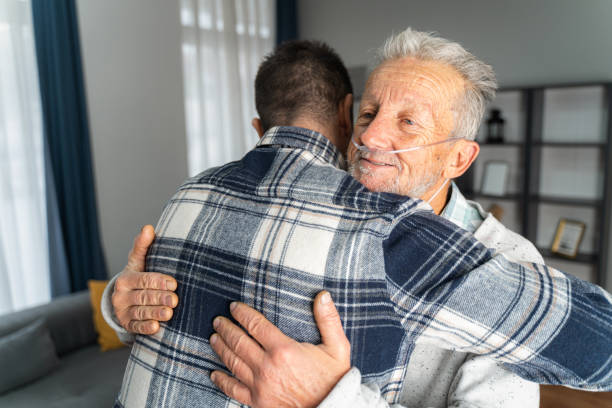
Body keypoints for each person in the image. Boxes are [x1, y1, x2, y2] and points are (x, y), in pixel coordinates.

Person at [109, 35, 612, 408]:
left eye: (407, 123)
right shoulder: (317, 209)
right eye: (370, 114)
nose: (371, 140)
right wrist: (125, 302)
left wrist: (329, 399)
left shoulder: (507, 262)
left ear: (459, 158)